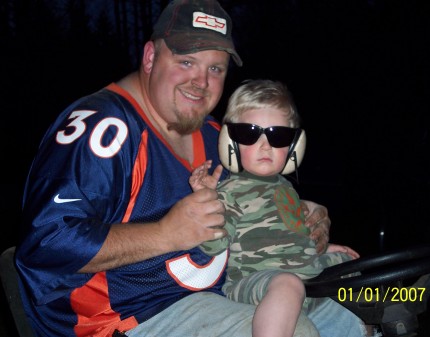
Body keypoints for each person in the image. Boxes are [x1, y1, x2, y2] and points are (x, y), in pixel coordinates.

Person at [14, 1, 364, 336]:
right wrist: (166, 233)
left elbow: (251, 209)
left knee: (352, 317)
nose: (201, 81)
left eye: (215, 68)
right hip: (119, 320)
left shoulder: (219, 137)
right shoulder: (104, 128)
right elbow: (47, 242)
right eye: (186, 61)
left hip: (216, 296)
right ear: (150, 57)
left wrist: (302, 217)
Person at [189, 79, 362, 337]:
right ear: (231, 141)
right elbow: (212, 247)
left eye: (277, 135)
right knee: (287, 284)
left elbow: (292, 233)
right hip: (257, 284)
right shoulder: (232, 191)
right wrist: (208, 202)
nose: (265, 145)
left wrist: (325, 248)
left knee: (353, 264)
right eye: (249, 133)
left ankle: (381, 322)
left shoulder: (285, 188)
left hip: (306, 281)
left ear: (293, 146)